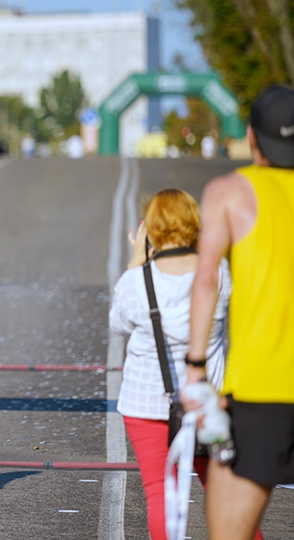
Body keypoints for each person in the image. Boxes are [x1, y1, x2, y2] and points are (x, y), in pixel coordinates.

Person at [184, 84, 294, 540]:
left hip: (261, 388)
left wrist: (196, 368)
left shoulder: (230, 192)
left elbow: (206, 277)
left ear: (252, 138)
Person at [109, 189, 260, 540]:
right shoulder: (219, 273)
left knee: (159, 493)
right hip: (207, 401)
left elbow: (118, 323)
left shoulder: (137, 281)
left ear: (153, 230)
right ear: (194, 224)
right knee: (227, 494)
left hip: (146, 404)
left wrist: (137, 258)